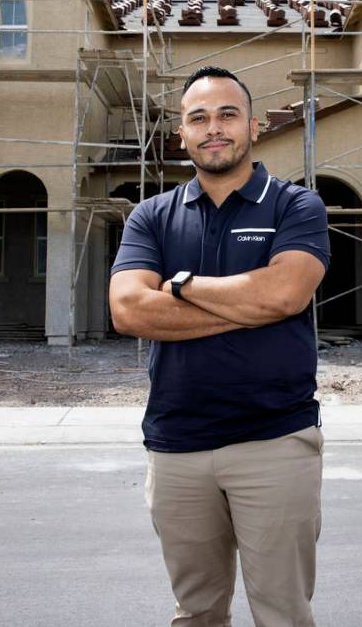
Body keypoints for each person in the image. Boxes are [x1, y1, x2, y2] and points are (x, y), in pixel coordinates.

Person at [109, 65, 330, 626]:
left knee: (283, 613)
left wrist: (182, 287)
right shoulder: (151, 216)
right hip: (177, 444)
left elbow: (284, 294)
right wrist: (250, 307)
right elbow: (129, 309)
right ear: (180, 134)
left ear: (253, 126)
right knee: (197, 614)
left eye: (227, 114)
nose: (214, 128)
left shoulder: (295, 206)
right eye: (198, 118)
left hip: (275, 440)